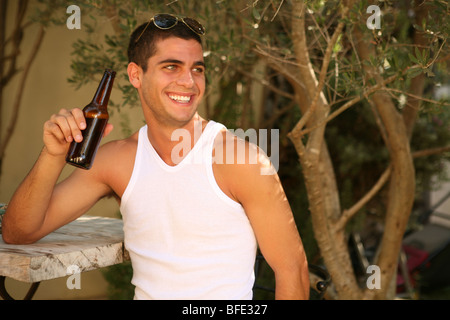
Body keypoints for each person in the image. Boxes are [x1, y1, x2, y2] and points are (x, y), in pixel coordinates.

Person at [2, 14, 309, 300]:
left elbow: (291, 269)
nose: (188, 81)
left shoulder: (241, 160)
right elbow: (19, 232)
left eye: (197, 69)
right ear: (136, 75)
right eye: (171, 66)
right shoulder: (117, 161)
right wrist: (53, 154)